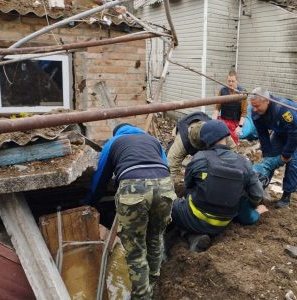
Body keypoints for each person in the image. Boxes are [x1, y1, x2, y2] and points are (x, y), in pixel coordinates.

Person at [87, 123, 176, 299]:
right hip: (165, 188)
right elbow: (166, 168)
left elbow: (101, 178)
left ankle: (142, 296)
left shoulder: (113, 142)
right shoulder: (153, 140)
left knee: (135, 249)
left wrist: (89, 202)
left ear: (116, 133)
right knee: (155, 238)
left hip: (133, 189)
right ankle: (153, 286)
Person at [171, 120, 266, 251]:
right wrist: (252, 207)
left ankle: (190, 235)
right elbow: (257, 193)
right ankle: (195, 237)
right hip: (223, 223)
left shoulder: (200, 157)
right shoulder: (244, 162)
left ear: (205, 140)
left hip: (195, 217)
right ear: (226, 136)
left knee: (169, 206)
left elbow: (188, 185)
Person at [249, 88, 297, 209]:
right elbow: (262, 133)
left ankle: (287, 196)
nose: (254, 110)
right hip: (279, 131)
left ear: (267, 101)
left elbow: (295, 131)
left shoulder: (282, 109)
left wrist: (286, 154)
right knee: (269, 159)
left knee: (292, 162)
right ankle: (260, 189)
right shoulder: (255, 111)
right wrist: (266, 153)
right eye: (253, 106)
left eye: (257, 106)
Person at [167, 111, 235, 182]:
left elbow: (233, 151)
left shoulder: (216, 130)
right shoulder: (180, 143)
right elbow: (171, 168)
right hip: (183, 137)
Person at [212, 71, 248, 144]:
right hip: (223, 121)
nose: (231, 83)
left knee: (233, 145)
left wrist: (240, 127)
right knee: (220, 142)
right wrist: (214, 120)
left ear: (236, 81)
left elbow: (244, 112)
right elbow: (217, 108)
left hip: (234, 123)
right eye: (229, 81)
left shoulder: (242, 93)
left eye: (233, 81)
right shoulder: (222, 91)